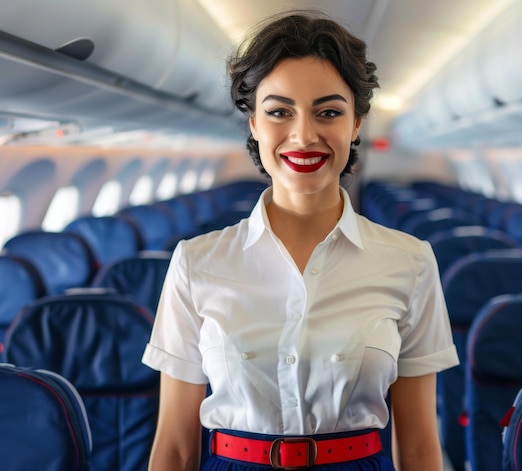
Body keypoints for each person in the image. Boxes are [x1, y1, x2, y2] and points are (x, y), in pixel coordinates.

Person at [142, 9, 459, 471]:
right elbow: (173, 445)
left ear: (356, 125)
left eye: (328, 112)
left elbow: (418, 448)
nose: (304, 135)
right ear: (254, 124)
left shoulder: (410, 262)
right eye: (279, 112)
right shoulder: (196, 262)